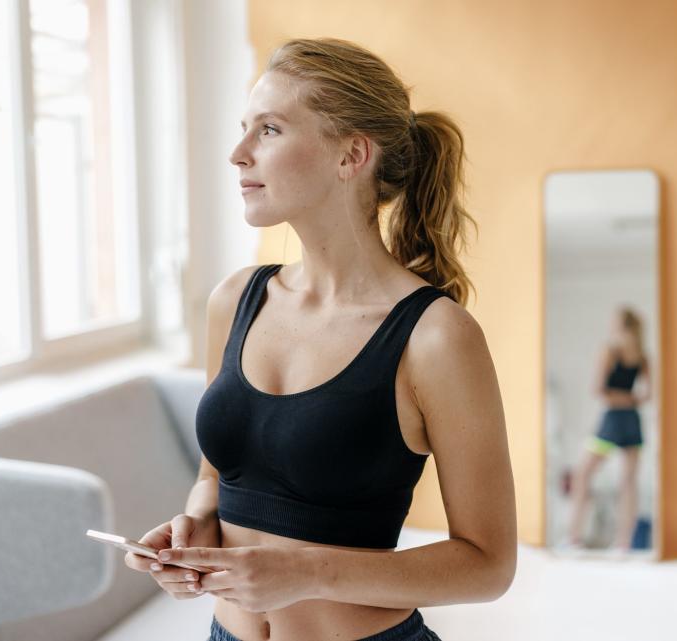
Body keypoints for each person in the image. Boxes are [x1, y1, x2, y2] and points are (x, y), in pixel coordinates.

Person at [124, 37, 517, 641]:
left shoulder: (435, 336)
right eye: (244, 129)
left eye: (270, 130)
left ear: (351, 155)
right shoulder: (235, 300)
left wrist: (309, 573)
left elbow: (488, 565)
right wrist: (196, 524)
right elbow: (216, 474)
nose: (237, 154)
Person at [566, 306, 652, 555]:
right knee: (629, 482)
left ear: (620, 324)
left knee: (582, 474)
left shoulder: (610, 350)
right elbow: (646, 395)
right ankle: (624, 543)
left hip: (613, 420)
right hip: (632, 420)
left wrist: (619, 399)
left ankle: (573, 537)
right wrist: (630, 399)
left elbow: (598, 389)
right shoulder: (642, 356)